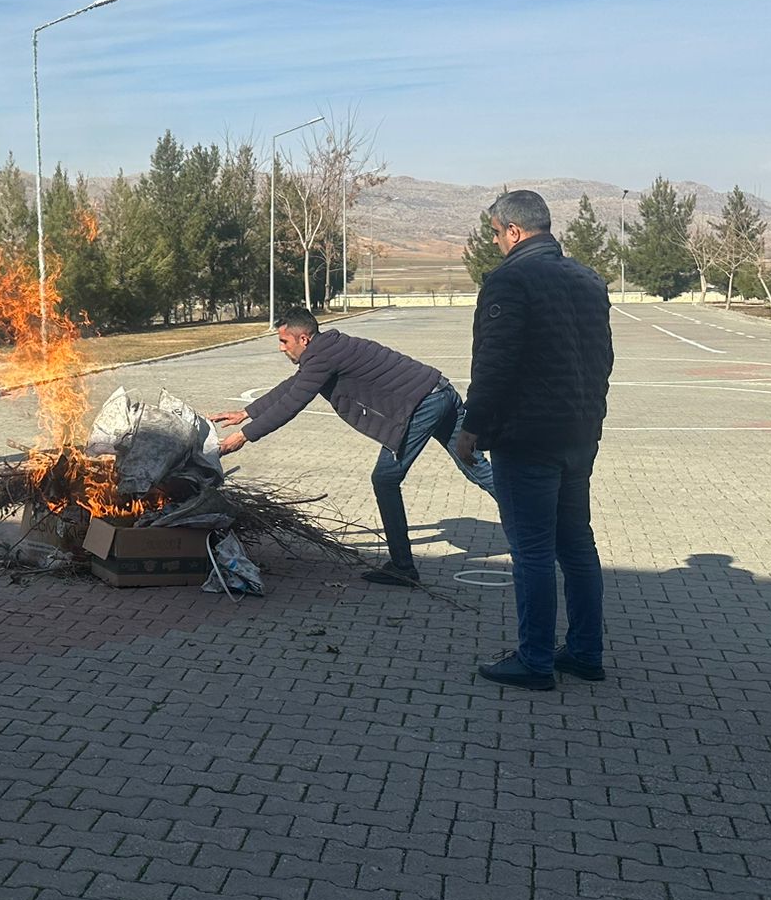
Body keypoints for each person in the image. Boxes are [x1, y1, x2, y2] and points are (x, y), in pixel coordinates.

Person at [454, 189, 613, 691]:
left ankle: (536, 659)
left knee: (533, 552)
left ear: (514, 232)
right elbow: (603, 360)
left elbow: (495, 364)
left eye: (497, 234)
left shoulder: (509, 280)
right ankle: (586, 652)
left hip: (527, 438)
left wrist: (471, 426)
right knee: (577, 546)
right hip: (579, 433)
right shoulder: (588, 279)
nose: (497, 243)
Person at [211, 308, 494, 586]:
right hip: (440, 392)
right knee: (475, 466)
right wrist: (246, 413)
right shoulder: (327, 349)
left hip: (423, 406)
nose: (280, 348)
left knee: (385, 479)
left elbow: (293, 402)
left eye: (284, 341)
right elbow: (293, 386)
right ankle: (534, 522)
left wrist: (244, 436)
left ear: (304, 340)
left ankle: (402, 567)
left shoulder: (322, 356)